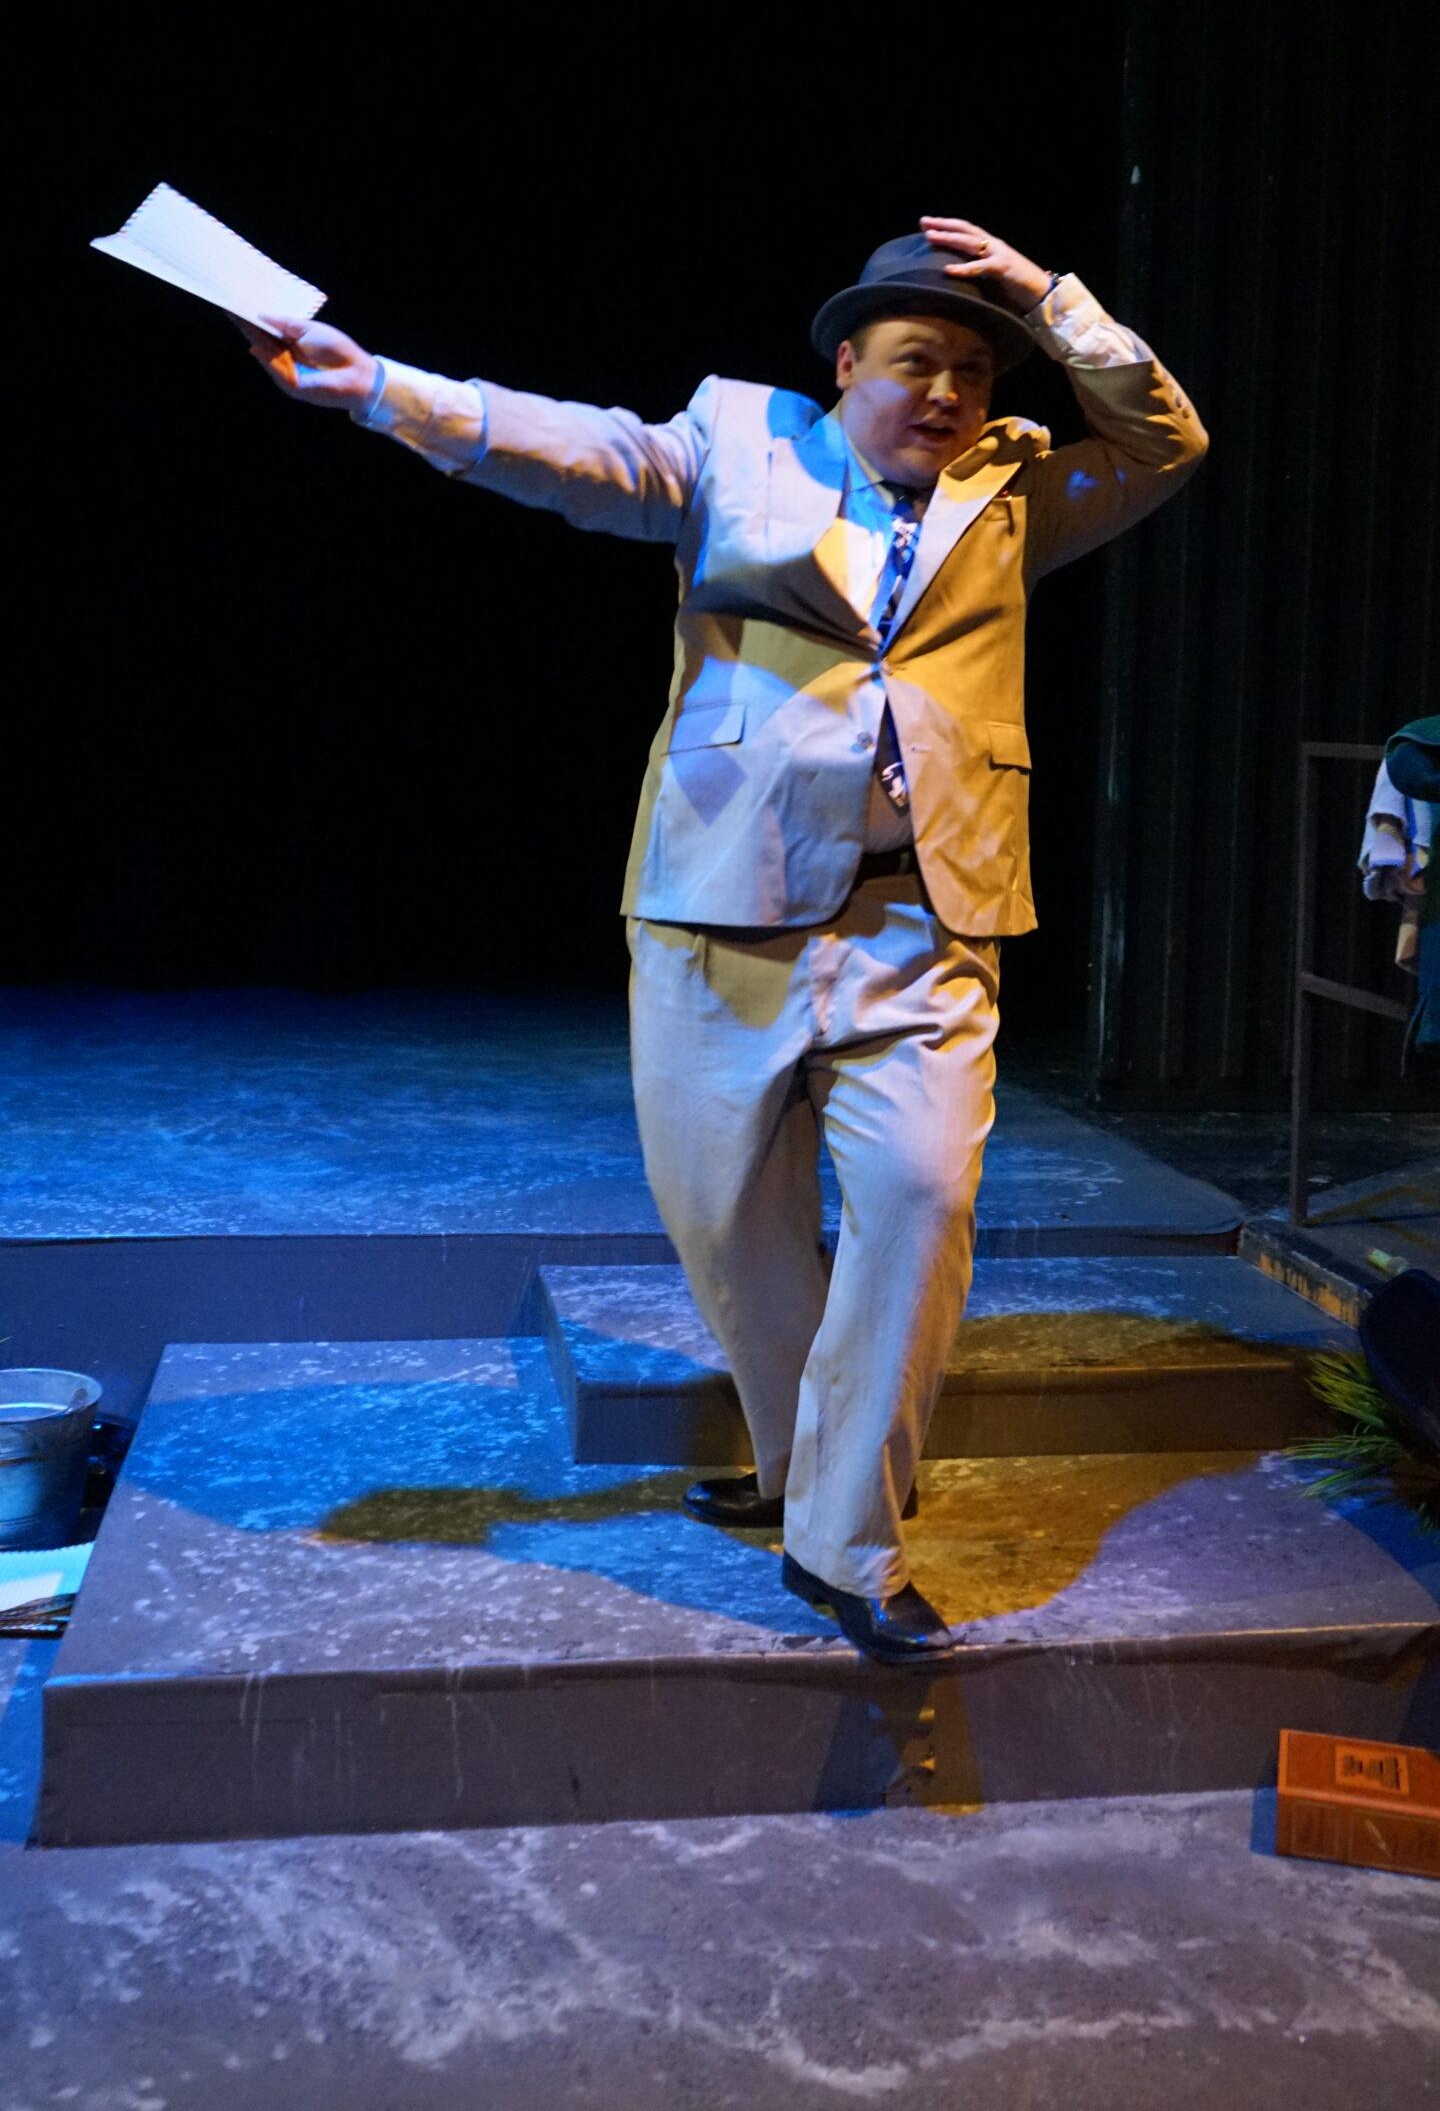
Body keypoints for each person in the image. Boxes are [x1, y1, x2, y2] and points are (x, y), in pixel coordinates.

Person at [245, 213, 1208, 1667]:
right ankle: (798, 1469)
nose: (948, 391)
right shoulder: (736, 445)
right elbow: (569, 451)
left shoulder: (1014, 489)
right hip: (721, 907)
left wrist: (1046, 298)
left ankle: (846, 1544)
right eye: (917, 361)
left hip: (927, 919)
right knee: (732, 1229)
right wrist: (379, 386)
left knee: (922, 1200)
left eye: (971, 368)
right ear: (847, 364)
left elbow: (1167, 439)